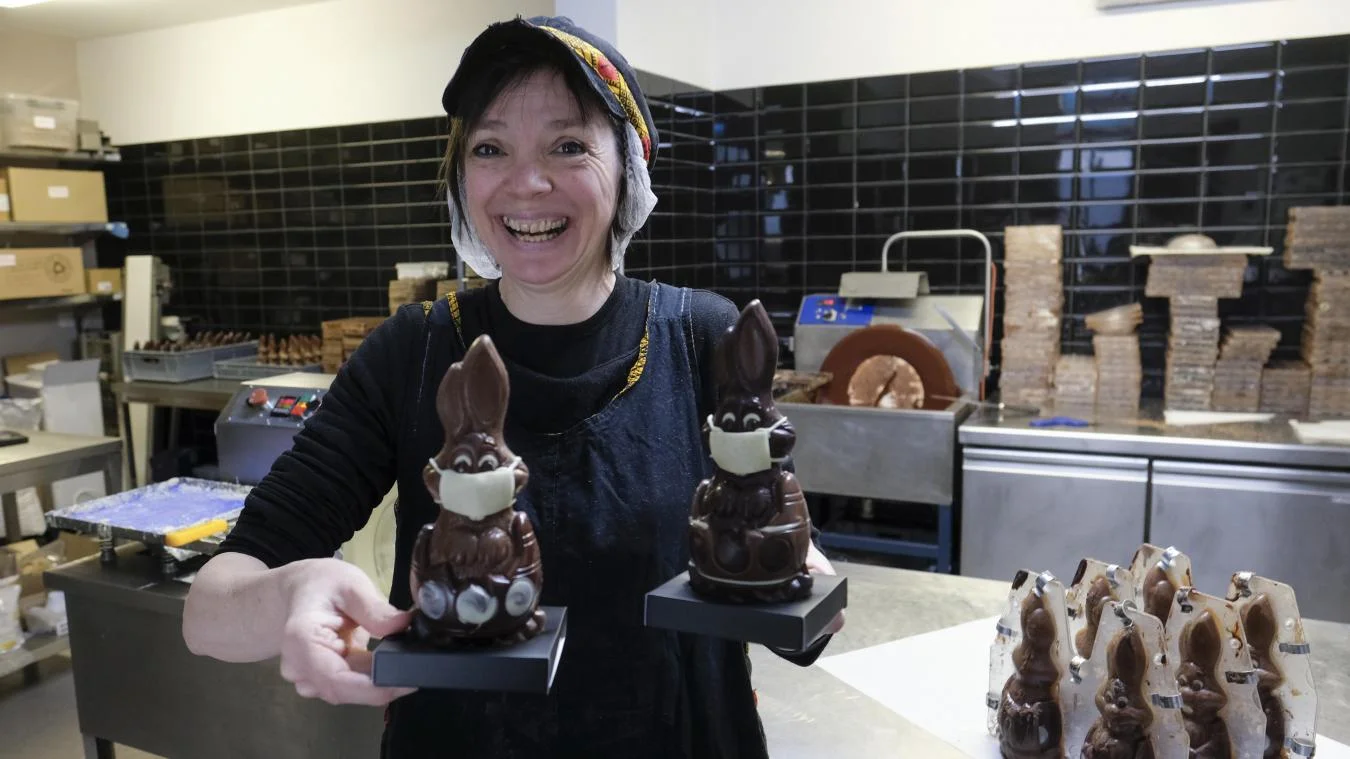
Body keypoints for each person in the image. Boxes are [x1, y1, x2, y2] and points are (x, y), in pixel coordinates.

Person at [181, 15, 841, 758]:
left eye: (568, 145)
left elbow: (787, 570)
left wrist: (792, 578)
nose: (528, 184)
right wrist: (288, 594)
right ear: (462, 177)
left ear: (627, 170)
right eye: (491, 148)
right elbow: (210, 610)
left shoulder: (703, 336)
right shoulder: (416, 350)